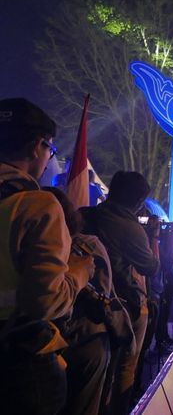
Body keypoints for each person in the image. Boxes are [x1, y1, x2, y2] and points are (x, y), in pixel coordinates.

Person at [0, 98, 95, 414]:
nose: (48, 159)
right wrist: (80, 272)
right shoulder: (36, 206)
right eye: (50, 150)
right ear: (35, 147)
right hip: (19, 363)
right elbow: (45, 303)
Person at [80, 171, 160, 414]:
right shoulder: (130, 227)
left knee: (95, 373)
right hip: (125, 305)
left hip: (86, 302)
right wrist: (154, 237)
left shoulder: (85, 214)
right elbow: (151, 266)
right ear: (137, 202)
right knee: (126, 364)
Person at [45, 186, 118, 415]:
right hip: (84, 340)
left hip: (45, 345)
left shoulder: (26, 246)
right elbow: (105, 291)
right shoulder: (88, 246)